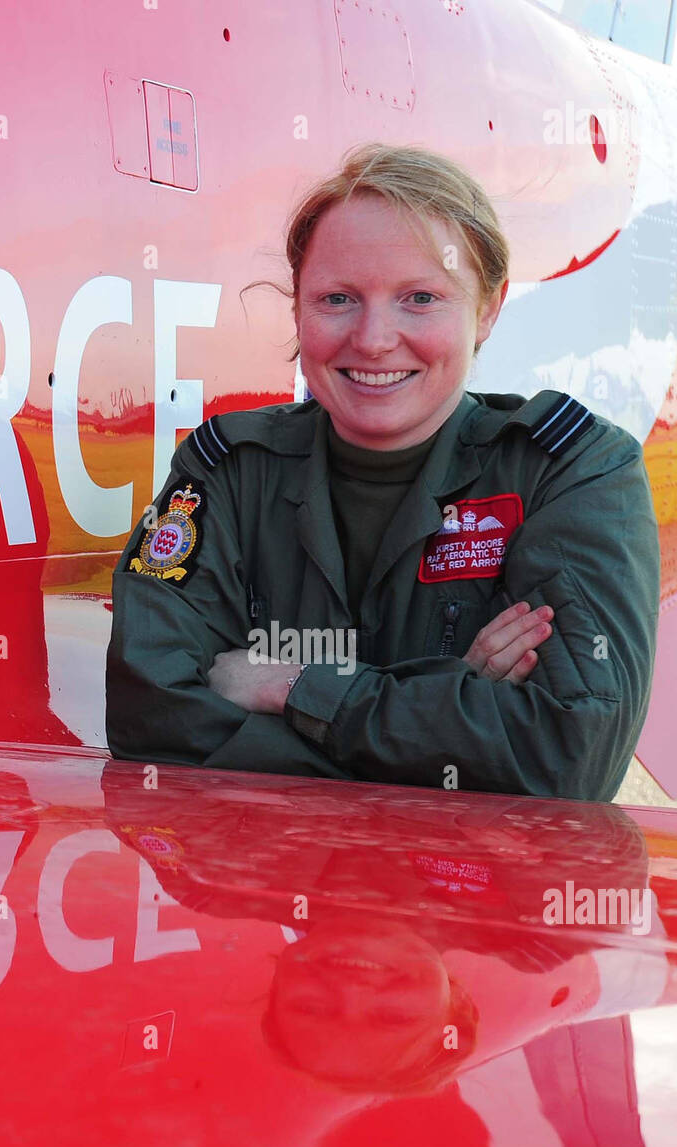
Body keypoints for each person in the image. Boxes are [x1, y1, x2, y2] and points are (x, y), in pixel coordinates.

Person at [106, 143, 660, 800]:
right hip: (265, 887)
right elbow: (149, 717)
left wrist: (292, 690)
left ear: (486, 309)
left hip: (470, 896)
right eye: (337, 298)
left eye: (420, 298)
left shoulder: (569, 471)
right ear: (297, 309)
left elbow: (569, 757)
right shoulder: (227, 470)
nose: (372, 339)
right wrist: (451, 701)